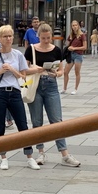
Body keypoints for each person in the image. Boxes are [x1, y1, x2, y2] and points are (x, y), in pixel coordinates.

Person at [25, 23, 80, 167]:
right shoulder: (31, 49)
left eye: (48, 38)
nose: (46, 41)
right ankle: (41, 152)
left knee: (56, 120)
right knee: (37, 121)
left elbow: (61, 71)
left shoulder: (56, 50)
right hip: (35, 85)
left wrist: (57, 73)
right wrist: (35, 69)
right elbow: (23, 69)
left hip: (51, 84)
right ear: (38, 37)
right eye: (43, 38)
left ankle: (65, 154)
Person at [0, 24, 37, 170]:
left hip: (14, 92)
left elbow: (23, 76)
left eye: (10, 36)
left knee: (22, 125)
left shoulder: (18, 54)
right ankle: (3, 157)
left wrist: (12, 69)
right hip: (0, 93)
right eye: (5, 36)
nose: (8, 39)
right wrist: (0, 72)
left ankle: (29, 156)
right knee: (0, 125)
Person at [62, 20, 86, 94]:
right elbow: (67, 44)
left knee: (77, 72)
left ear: (78, 26)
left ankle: (75, 89)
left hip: (78, 55)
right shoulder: (71, 35)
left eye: (76, 25)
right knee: (65, 72)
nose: (74, 27)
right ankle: (64, 88)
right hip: (70, 55)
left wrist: (74, 48)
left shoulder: (82, 35)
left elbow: (85, 47)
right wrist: (68, 47)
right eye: (73, 25)